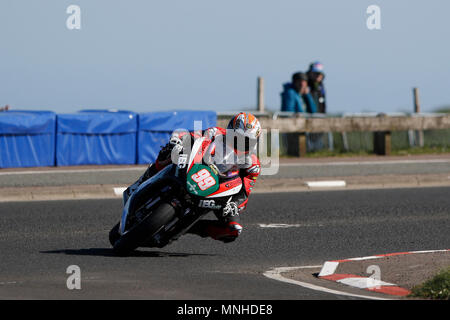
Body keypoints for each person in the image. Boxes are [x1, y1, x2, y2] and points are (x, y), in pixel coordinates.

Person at [123, 112, 262, 243]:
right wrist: (177, 140)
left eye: (247, 141)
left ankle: (192, 227)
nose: (241, 142)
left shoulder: (252, 164)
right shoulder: (215, 133)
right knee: (170, 152)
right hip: (198, 169)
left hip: (220, 189)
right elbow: (189, 135)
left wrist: (235, 205)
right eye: (237, 137)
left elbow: (244, 193)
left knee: (233, 230)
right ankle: (142, 181)